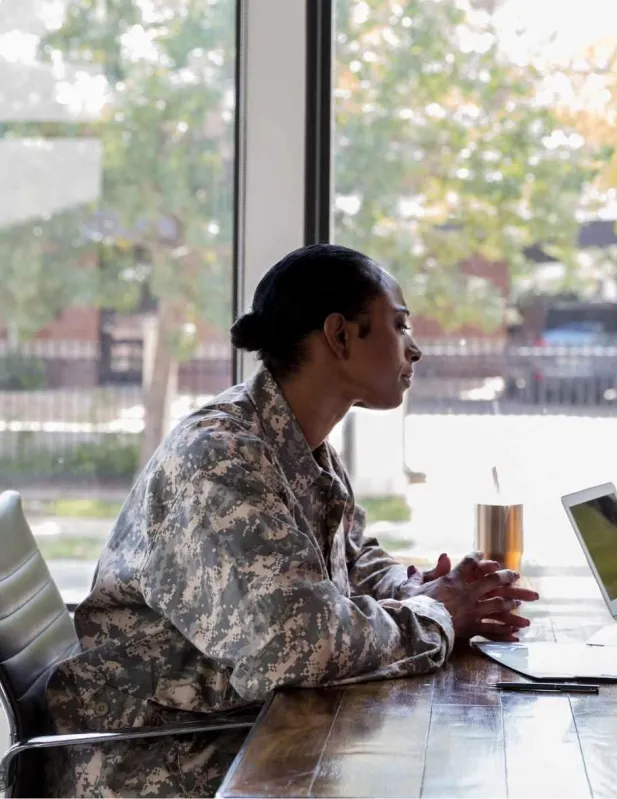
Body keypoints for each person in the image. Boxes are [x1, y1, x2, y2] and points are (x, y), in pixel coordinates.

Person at [41, 244, 539, 797]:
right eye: (399, 326)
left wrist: (416, 586)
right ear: (340, 335)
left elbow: (352, 555)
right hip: (165, 760)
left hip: (242, 728)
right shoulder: (222, 458)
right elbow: (298, 648)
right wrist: (438, 614)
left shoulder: (296, 439)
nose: (415, 349)